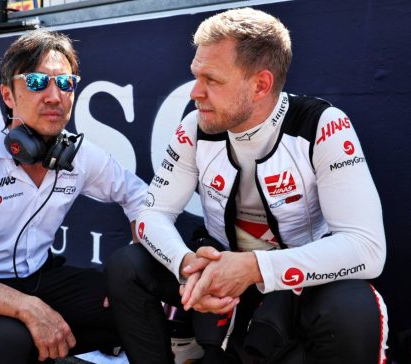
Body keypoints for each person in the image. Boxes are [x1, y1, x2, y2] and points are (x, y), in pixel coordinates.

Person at [105, 7, 388, 364]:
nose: (196, 92)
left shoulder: (323, 126)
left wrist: (254, 268)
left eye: (213, 80)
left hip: (297, 280)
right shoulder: (193, 127)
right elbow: (151, 214)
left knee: (352, 306)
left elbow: (367, 249)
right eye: (196, 76)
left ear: (261, 85)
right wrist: (186, 264)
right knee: (127, 265)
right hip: (218, 268)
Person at [0, 28, 147, 364]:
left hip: (41, 277)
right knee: (6, 344)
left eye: (66, 83)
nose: (55, 96)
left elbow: (140, 198)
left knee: (135, 302)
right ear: (8, 96)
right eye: (38, 83)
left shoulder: (77, 155)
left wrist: (138, 264)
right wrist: (31, 309)